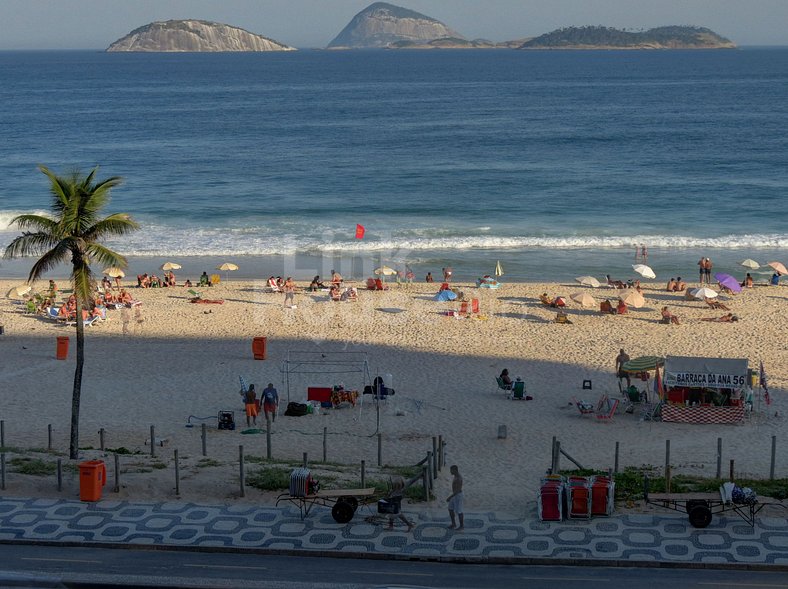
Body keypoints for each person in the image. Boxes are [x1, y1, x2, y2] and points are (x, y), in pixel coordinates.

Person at [447, 465, 464, 531]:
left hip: (458, 496)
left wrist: (449, 497)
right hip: (454, 495)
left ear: (455, 470)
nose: (450, 471)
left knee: (459, 511)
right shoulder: (455, 476)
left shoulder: (459, 479)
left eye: (451, 470)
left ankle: (462, 526)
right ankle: (453, 524)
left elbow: (458, 490)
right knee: (450, 508)